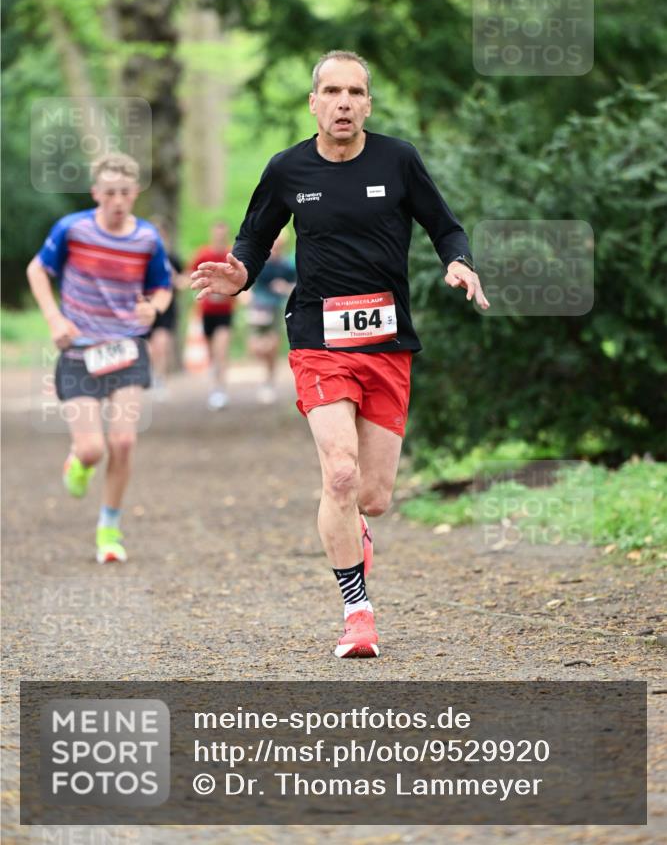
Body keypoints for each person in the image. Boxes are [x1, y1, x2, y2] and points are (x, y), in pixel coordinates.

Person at [192, 50, 489, 658]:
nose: (344, 102)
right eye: (332, 91)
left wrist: (458, 261)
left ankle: (354, 530)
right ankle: (357, 613)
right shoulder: (287, 170)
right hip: (318, 339)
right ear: (314, 102)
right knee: (341, 472)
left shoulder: (398, 160)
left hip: (386, 343)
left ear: (368, 104)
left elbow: (444, 226)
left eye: (355, 92)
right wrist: (239, 273)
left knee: (373, 497)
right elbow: (252, 235)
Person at [26, 152, 172, 564]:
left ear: (135, 192)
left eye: (125, 192)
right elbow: (37, 271)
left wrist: (154, 309)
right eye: (109, 193)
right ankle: (80, 460)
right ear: (96, 193)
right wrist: (55, 319)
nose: (118, 201)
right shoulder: (72, 230)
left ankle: (109, 528)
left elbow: (162, 286)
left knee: (123, 441)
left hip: (126, 349)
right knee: (92, 449)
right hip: (78, 352)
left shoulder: (146, 238)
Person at [189, 221, 236, 410]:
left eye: (222, 234)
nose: (219, 237)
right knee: (211, 354)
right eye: (217, 233)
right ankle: (214, 385)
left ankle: (220, 390)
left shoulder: (231, 256)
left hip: (226, 312)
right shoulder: (203, 254)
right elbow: (190, 275)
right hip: (206, 312)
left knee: (221, 350)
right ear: (212, 234)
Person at [246, 234, 296, 404]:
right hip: (258, 309)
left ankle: (268, 381)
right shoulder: (259, 263)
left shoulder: (287, 266)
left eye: (279, 246)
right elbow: (247, 282)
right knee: (257, 347)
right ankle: (265, 374)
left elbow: (299, 286)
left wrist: (285, 287)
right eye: (273, 245)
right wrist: (245, 296)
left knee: (272, 345)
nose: (276, 248)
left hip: (276, 309)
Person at [148, 216, 186, 399]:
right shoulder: (141, 258)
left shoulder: (172, 259)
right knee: (147, 348)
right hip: (144, 309)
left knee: (161, 344)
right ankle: (149, 376)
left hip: (166, 309)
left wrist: (173, 279)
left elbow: (183, 282)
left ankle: (159, 379)